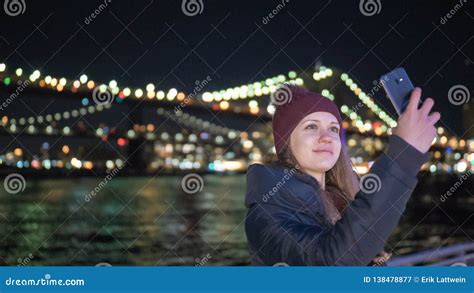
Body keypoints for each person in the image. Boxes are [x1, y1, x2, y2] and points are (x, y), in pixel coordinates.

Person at [244, 85, 440, 266]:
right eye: (311, 126)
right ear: (286, 144)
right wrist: (403, 157)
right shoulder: (265, 215)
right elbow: (330, 264)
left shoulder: (344, 204)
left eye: (333, 128)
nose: (327, 137)